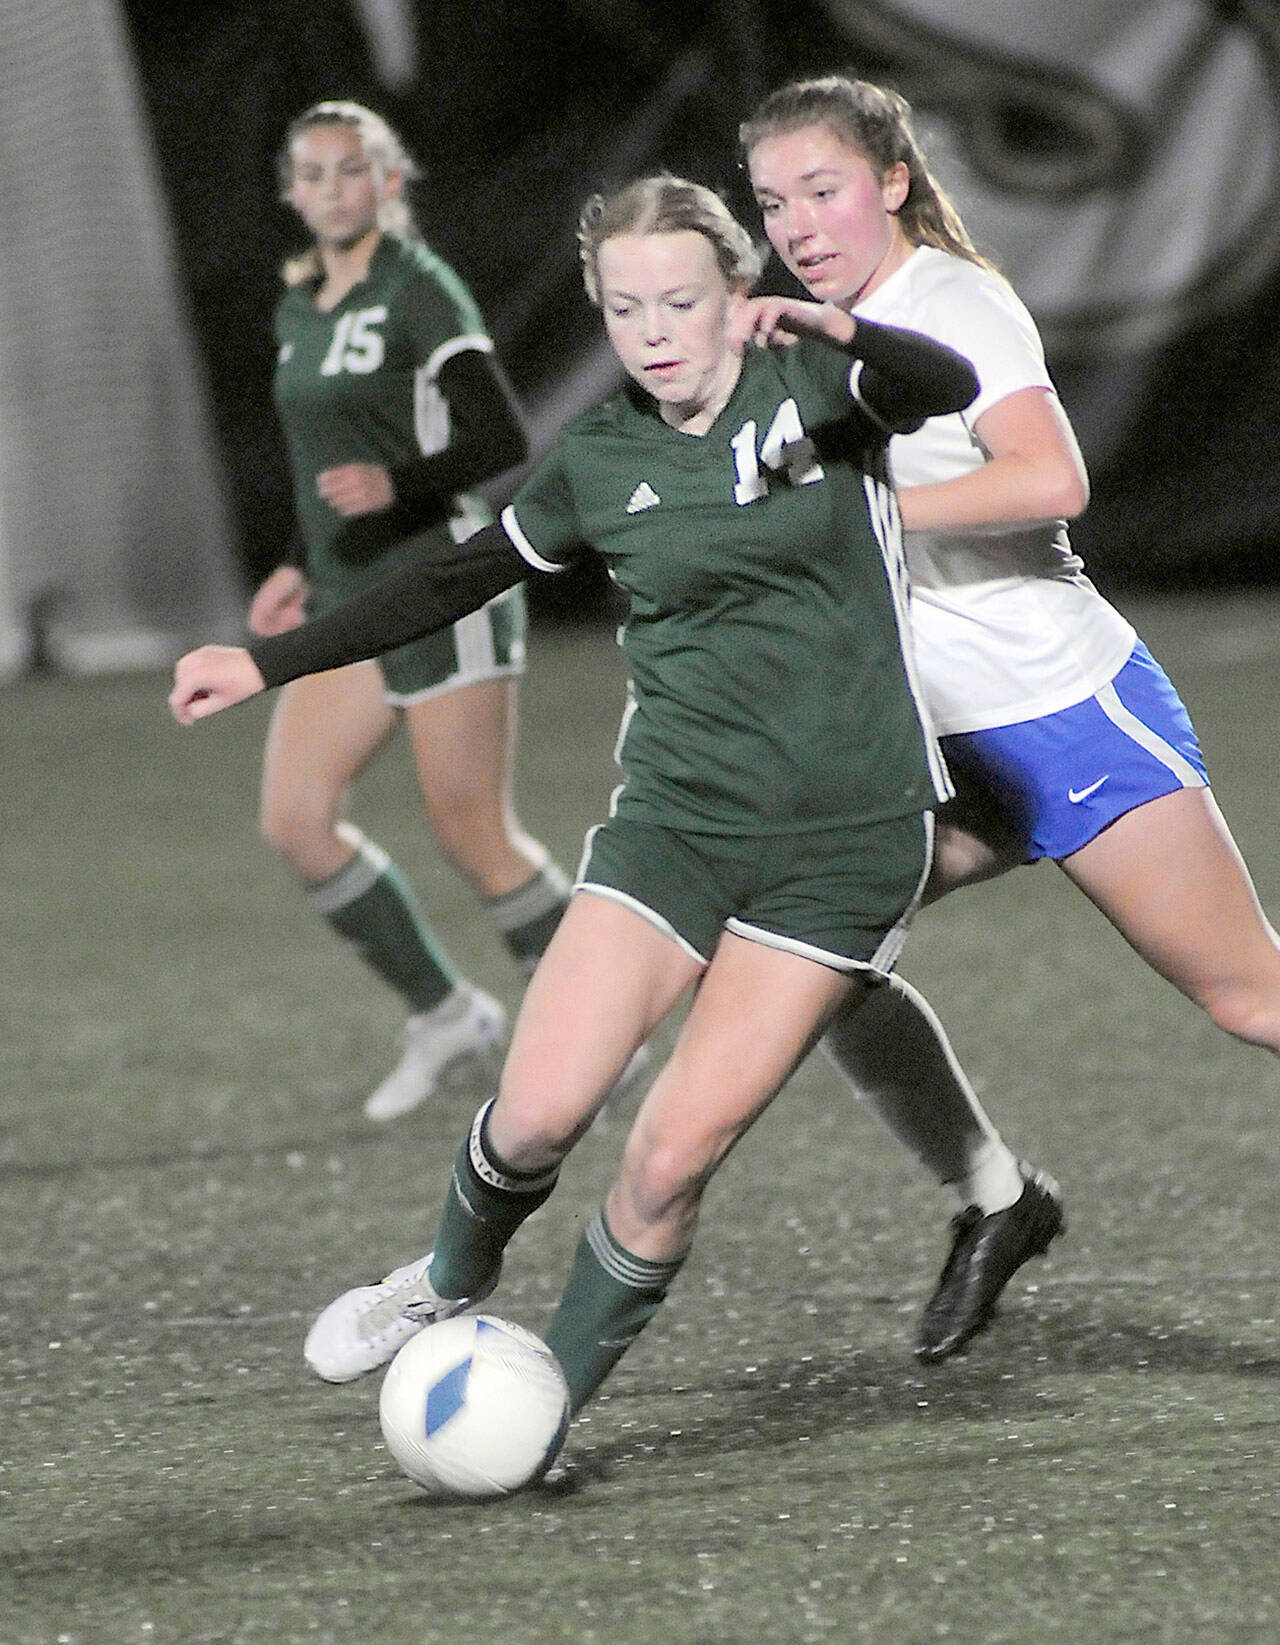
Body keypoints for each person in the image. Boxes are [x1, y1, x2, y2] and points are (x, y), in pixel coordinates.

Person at [170, 174, 979, 1426]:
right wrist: (263, 661)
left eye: (678, 300)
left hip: (840, 845)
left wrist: (847, 329)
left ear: (733, 296)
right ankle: (442, 1280)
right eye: (621, 308)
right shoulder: (600, 459)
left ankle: (537, 1403)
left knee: (663, 1161)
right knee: (538, 1112)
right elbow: (451, 576)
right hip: (673, 827)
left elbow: (949, 392)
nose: (652, 330)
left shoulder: (818, 390)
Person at [741, 74, 1280, 1362]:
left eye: (822, 190)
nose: (799, 223)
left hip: (1059, 712)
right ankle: (996, 1198)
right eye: (771, 203)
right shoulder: (821, 325)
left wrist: (859, 522)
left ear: (889, 179)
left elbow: (1051, 476)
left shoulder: (951, 303)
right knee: (793, 934)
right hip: (933, 733)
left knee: (1251, 997)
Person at [256, 100, 574, 1123]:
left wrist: (399, 485)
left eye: (350, 171)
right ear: (291, 193)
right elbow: (321, 463)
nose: (330, 190)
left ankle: (596, 1031)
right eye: (310, 175)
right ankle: (446, 1015)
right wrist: (300, 561)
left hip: (440, 584)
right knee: (297, 822)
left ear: (388, 182)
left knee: (473, 835)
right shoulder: (298, 305)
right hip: (349, 598)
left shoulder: (418, 288)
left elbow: (500, 432)